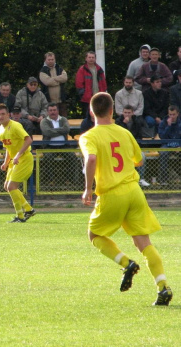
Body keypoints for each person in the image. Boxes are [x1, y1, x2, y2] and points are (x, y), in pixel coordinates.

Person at [79, 91, 172, 306]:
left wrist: (87, 189)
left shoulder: (89, 136)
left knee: (94, 235)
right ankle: (163, 288)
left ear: (92, 111)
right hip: (133, 190)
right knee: (144, 242)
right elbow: (139, 160)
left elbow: (91, 158)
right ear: (113, 111)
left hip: (112, 193)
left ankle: (126, 262)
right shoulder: (123, 132)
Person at [0, 103, 36, 223]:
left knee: (12, 186)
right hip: (14, 160)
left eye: (3, 114)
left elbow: (29, 139)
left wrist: (18, 155)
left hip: (24, 158)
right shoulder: (1, 129)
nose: (1, 117)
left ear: (8, 115)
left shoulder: (15, 126)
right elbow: (8, 147)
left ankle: (25, 213)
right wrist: (5, 162)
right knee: (7, 186)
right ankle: (24, 213)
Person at [40, 103, 77, 184]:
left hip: (64, 146)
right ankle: (50, 181)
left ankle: (70, 180)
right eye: (50, 110)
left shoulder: (63, 119)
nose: (53, 112)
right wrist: (60, 130)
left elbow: (67, 129)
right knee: (48, 158)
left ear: (58, 111)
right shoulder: (44, 121)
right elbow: (47, 132)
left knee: (72, 156)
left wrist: (53, 131)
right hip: (49, 147)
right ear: (47, 112)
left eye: (54, 110)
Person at [115, 104, 150, 187]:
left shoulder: (137, 121)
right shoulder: (118, 122)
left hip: (134, 147)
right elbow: (119, 135)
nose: (127, 114)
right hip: (121, 148)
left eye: (129, 112)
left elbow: (139, 135)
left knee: (142, 157)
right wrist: (124, 124)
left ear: (132, 113)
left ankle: (141, 179)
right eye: (125, 112)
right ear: (123, 112)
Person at [76, 51, 107, 119]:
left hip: (98, 97)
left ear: (95, 59)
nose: (91, 59)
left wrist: (103, 93)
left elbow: (103, 83)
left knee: (99, 116)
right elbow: (79, 84)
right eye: (89, 57)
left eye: (93, 57)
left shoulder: (99, 69)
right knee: (87, 118)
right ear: (86, 58)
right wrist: (83, 94)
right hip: (86, 99)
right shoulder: (82, 69)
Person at [38, 52, 68, 117]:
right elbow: (48, 82)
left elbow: (65, 78)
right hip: (49, 101)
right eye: (49, 59)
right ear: (45, 60)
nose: (51, 61)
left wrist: (53, 79)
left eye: (52, 59)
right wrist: (59, 80)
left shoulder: (59, 68)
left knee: (63, 120)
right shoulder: (42, 71)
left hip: (61, 101)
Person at [157, 105, 181, 186]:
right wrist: (168, 126)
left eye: (174, 114)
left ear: (177, 114)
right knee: (163, 153)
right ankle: (163, 180)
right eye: (170, 114)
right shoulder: (163, 123)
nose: (172, 116)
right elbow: (162, 137)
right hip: (166, 145)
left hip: (178, 145)